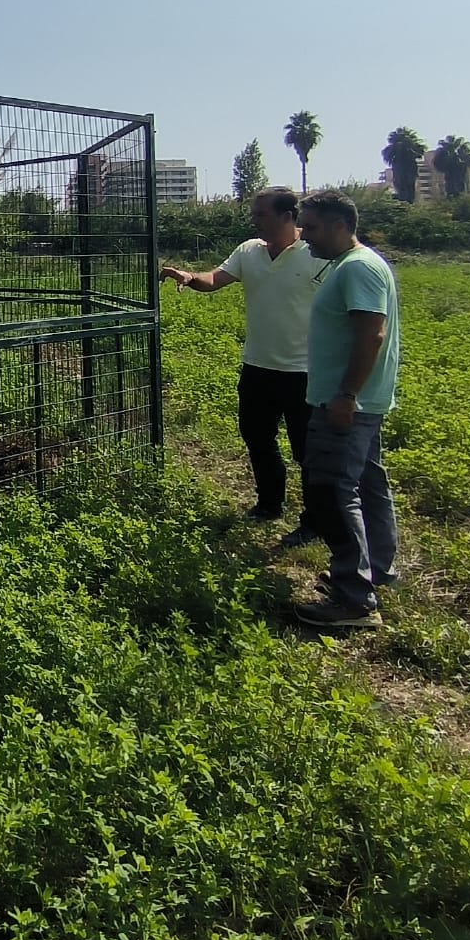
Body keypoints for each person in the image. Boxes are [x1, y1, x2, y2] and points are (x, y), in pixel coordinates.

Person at [160, 186, 335, 540]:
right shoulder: (249, 251)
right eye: (254, 214)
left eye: (261, 214)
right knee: (258, 438)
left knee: (309, 451)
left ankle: (315, 521)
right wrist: (191, 278)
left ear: (287, 216)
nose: (254, 220)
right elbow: (216, 279)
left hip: (305, 372)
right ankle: (270, 504)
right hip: (258, 366)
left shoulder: (318, 254)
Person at [292, 190, 401, 630]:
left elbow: (371, 334)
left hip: (346, 403)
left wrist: (346, 396)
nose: (304, 236)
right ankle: (375, 570)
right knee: (367, 484)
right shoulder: (354, 265)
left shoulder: (357, 268)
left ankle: (353, 597)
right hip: (357, 401)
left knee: (332, 491)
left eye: (312, 227)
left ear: (340, 225)